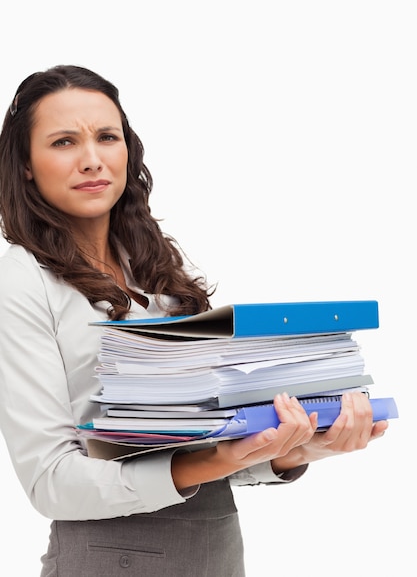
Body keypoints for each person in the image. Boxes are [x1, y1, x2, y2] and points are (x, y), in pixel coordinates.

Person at [0, 65, 388, 577]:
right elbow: (50, 481)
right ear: (26, 164)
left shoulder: (158, 271)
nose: (92, 160)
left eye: (107, 137)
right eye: (64, 142)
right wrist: (216, 462)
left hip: (215, 549)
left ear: (128, 150)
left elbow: (208, 447)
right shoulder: (20, 281)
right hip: (110, 557)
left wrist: (295, 449)